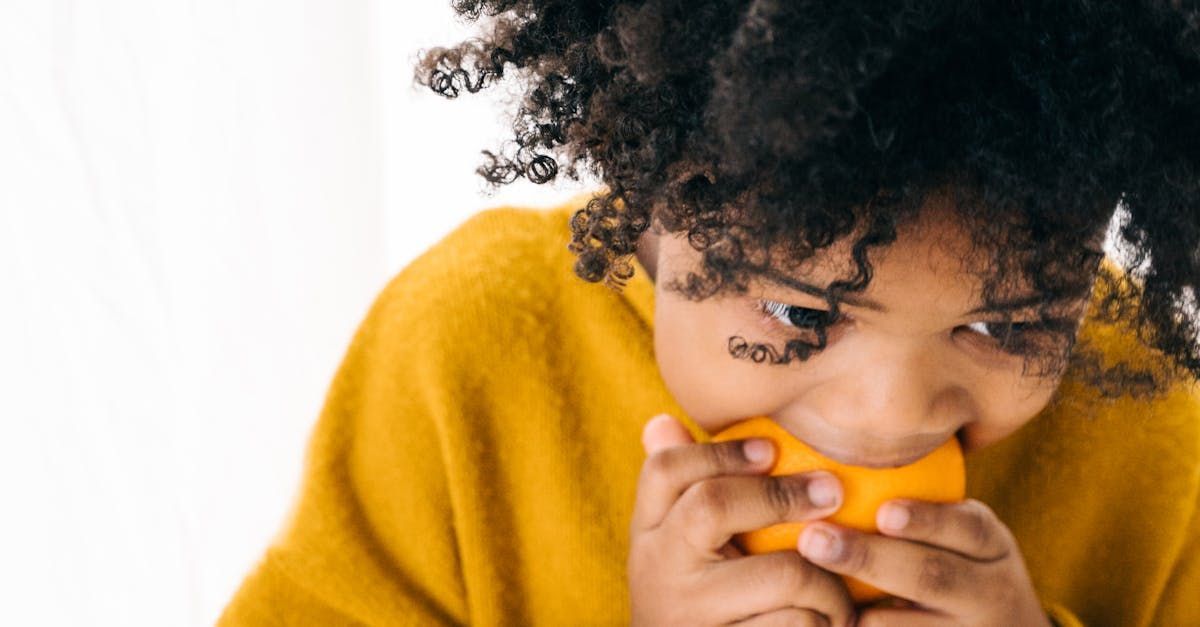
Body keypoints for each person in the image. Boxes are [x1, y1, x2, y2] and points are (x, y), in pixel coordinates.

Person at [219, 2, 1200, 625]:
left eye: (1009, 328)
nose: (892, 413)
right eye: (794, 309)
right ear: (653, 185)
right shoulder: (469, 352)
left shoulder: (1152, 425)